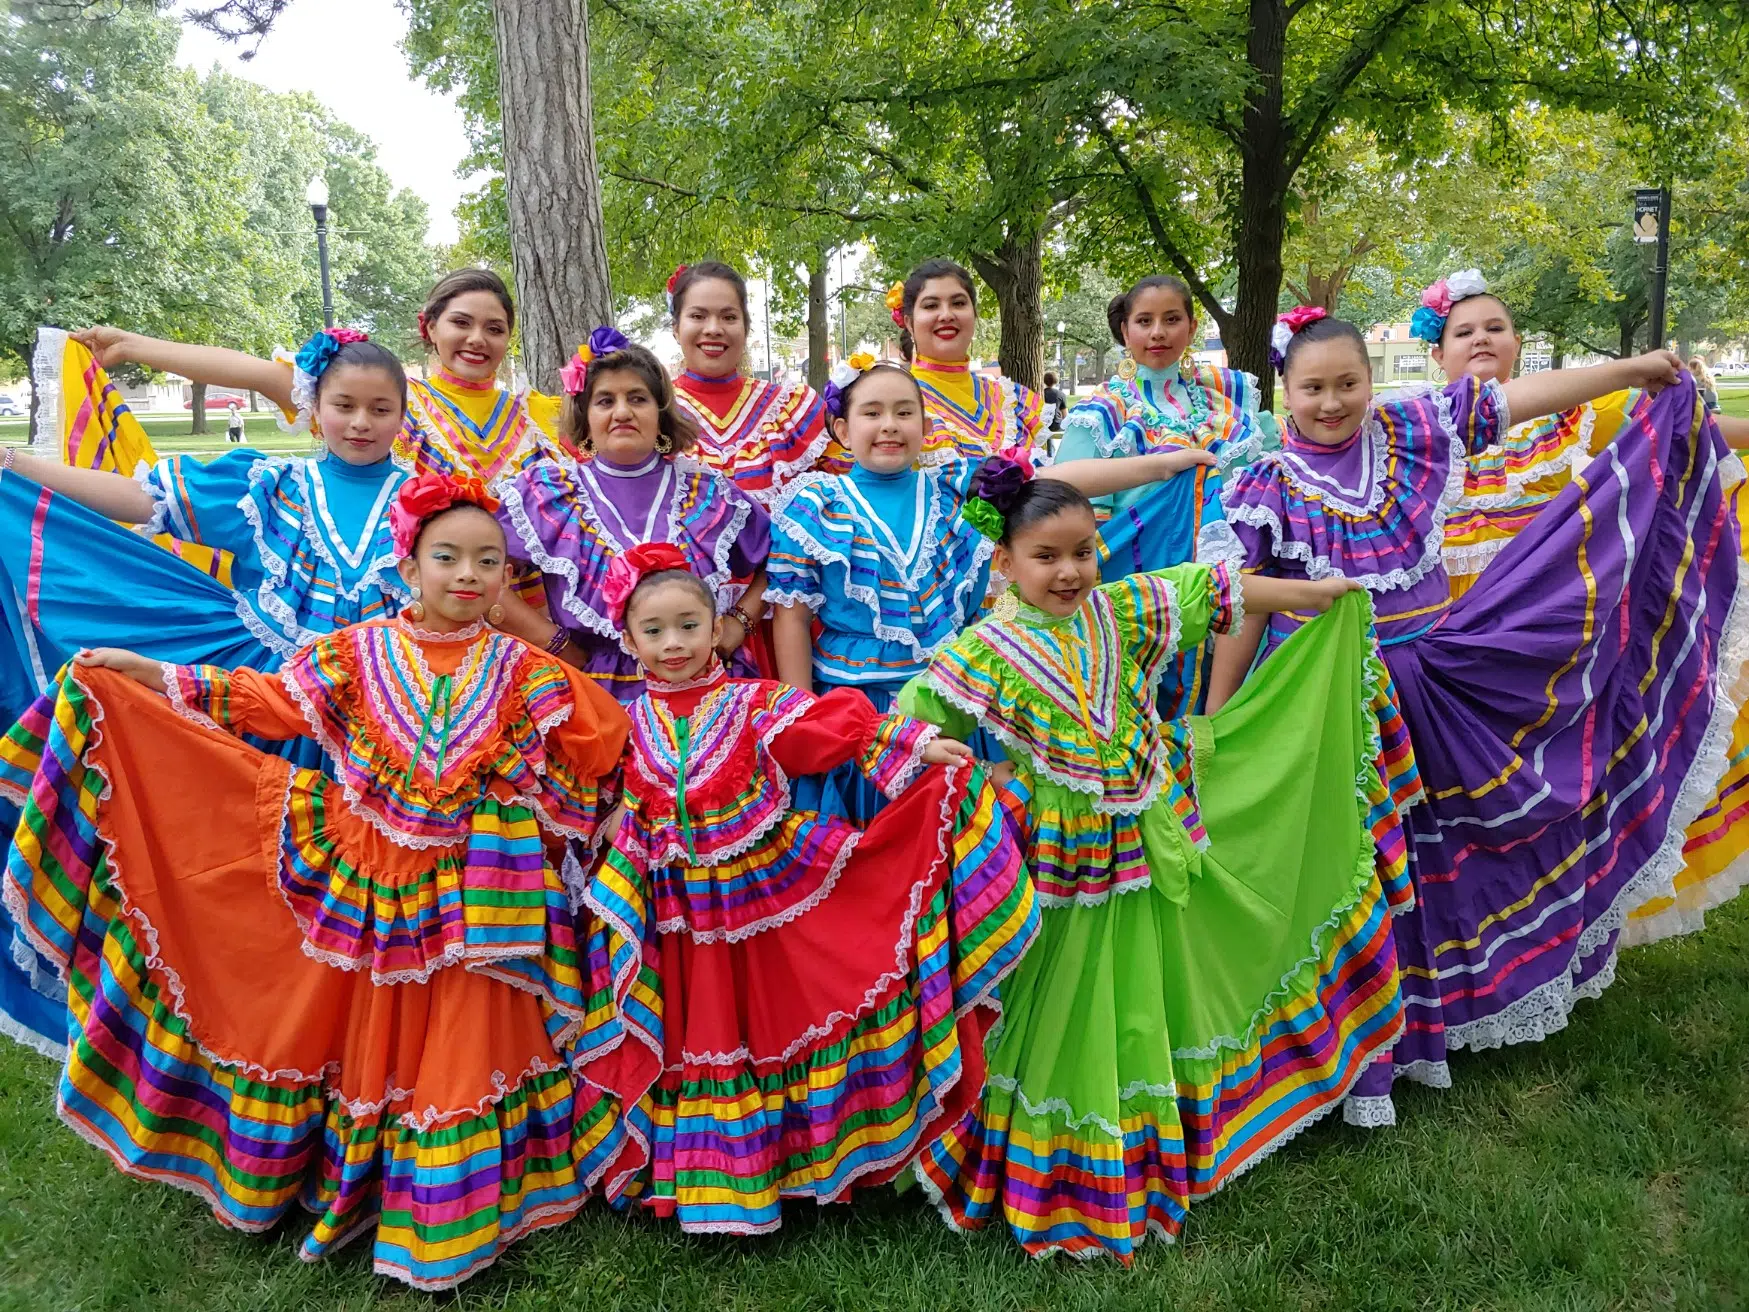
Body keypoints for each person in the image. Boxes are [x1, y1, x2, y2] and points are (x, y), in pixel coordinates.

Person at [0, 474, 631, 1289]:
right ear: (408, 568)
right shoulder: (358, 650)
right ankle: (356, 1178)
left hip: (477, 898)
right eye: (446, 557)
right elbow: (266, 702)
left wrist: (591, 810)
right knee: (358, 1035)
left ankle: (448, 1209)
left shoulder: (529, 673)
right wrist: (146, 676)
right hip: (363, 871)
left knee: (462, 1046)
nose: (468, 575)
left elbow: (598, 748)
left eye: (489, 562)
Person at [1216, 306, 1742, 1125]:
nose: (1331, 403)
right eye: (1312, 388)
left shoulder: (1408, 430)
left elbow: (1515, 398)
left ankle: (1438, 1014)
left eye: (1346, 383)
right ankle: (1352, 1038)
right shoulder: (1264, 481)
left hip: (1431, 684)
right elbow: (1243, 604)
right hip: (1321, 706)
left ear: (1369, 380)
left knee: (1446, 848)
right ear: (1284, 390)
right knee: (1354, 868)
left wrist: (1630, 372)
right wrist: (1220, 713)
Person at [900, 467, 1410, 1260]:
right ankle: (1065, 1157)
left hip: (1144, 834)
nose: (1068, 571)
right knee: (1068, 986)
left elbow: (1212, 592)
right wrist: (943, 753)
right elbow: (915, 717)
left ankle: (1146, 1130)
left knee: (1142, 980)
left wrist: (1308, 599)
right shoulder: (982, 650)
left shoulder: (1118, 610)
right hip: (1062, 862)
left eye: (1082, 551)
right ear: (1004, 562)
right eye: (1045, 556)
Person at [566, 543, 1038, 1233]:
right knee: (693, 1034)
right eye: (655, 630)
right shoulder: (625, 721)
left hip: (764, 895)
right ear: (628, 638)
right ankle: (702, 1180)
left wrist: (917, 748)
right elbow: (602, 784)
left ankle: (789, 1162)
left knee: (774, 1023)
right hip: (673, 917)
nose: (674, 644)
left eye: (690, 624)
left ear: (716, 624)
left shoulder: (753, 703)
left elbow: (835, 732)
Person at [0, 326, 412, 1060]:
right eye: (344, 405)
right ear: (314, 408)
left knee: (362, 893)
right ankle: (235, 1043)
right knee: (246, 885)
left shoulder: (424, 502)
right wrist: (17, 465)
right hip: (257, 705)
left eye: (380, 409)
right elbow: (138, 499)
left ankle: (354, 1046)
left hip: (381, 720)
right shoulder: (270, 487)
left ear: (402, 416)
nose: (359, 423)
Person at [1423, 273, 1749, 945]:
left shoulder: (1577, 418)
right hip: (1456, 665)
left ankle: (1563, 927)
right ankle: (1473, 940)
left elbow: (1690, 435)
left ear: (1516, 342)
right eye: (1463, 332)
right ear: (1438, 355)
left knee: (1560, 786)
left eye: (1493, 327)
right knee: (1465, 804)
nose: (1480, 338)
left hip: (1556, 651)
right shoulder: (1423, 437)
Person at [767, 358, 1216, 819]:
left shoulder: (955, 486)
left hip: (959, 701)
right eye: (872, 413)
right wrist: (806, 719)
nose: (889, 426)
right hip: (861, 711)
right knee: (880, 847)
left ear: (925, 425)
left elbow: (1054, 483)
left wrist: (1162, 466)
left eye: (904, 412)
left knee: (966, 846)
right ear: (842, 429)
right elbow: (791, 616)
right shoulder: (814, 505)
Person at [71, 268, 571, 489]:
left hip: (526, 621)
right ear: (430, 327)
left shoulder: (541, 416)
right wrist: (133, 346)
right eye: (461, 322)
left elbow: (637, 413)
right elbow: (255, 372)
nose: (477, 339)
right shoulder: (389, 399)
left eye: (495, 328)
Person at [495, 328, 771, 704]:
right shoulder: (547, 493)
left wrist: (738, 625)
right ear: (585, 415)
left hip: (709, 692)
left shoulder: (708, 493)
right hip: (592, 696)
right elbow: (486, 574)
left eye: (637, 398)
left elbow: (782, 562)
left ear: (659, 413)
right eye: (605, 401)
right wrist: (557, 645)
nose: (622, 412)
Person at [1052, 274, 1282, 713]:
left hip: (1233, 584)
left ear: (1192, 328)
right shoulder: (1102, 410)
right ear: (1126, 331)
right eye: (1144, 321)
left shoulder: (1229, 394)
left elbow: (1269, 476)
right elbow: (1071, 500)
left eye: (1171, 319)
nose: (1157, 333)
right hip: (1140, 573)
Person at [666, 261, 845, 504]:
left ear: (746, 327)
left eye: (729, 317)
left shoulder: (793, 412)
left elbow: (853, 491)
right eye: (698, 316)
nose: (713, 329)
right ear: (676, 328)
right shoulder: (654, 414)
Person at [890, 260, 1045, 461]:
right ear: (909, 323)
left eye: (958, 303)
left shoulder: (1013, 400)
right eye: (931, 305)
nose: (946, 314)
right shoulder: (892, 401)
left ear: (974, 314)